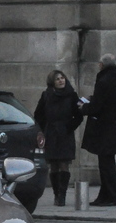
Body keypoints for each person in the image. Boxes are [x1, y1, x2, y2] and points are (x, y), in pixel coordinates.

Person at [78, 53, 116, 206]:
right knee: (107, 163)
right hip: (114, 126)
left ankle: (111, 196)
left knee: (106, 165)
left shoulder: (104, 80)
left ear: (101, 65)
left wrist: (83, 107)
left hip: (105, 128)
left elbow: (97, 107)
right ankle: (105, 195)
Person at [34, 70, 83, 206]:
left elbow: (78, 116)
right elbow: (39, 115)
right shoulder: (46, 95)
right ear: (52, 82)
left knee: (64, 164)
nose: (61, 81)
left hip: (65, 133)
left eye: (62, 78)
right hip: (51, 133)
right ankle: (56, 194)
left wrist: (68, 127)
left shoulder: (71, 95)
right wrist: (44, 130)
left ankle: (63, 194)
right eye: (58, 79)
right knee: (54, 165)